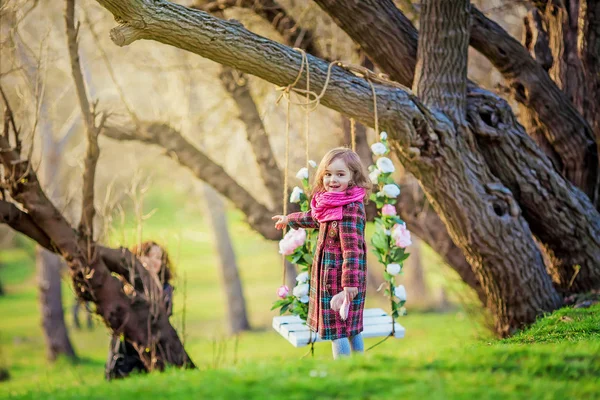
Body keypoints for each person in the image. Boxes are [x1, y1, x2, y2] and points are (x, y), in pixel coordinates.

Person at [272, 147, 371, 359]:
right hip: (330, 275)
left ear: (353, 177)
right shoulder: (330, 203)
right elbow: (314, 218)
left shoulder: (349, 208)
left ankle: (345, 369)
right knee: (349, 325)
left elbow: (353, 250)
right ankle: (361, 364)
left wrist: (349, 284)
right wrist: (290, 219)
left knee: (338, 330)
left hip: (341, 280)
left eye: (340, 174)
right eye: (328, 174)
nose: (332, 180)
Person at [104, 241, 175, 380]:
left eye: (158, 257)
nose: (153, 261)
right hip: (125, 353)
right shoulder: (125, 286)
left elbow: (161, 314)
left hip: (154, 352)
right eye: (148, 255)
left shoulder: (166, 289)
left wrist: (152, 278)